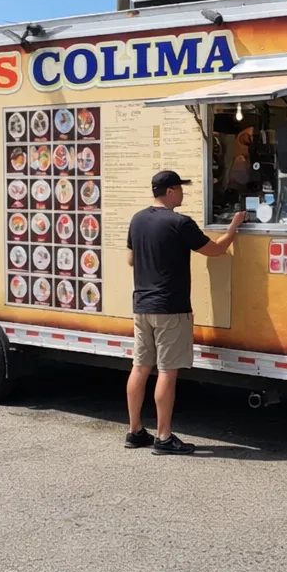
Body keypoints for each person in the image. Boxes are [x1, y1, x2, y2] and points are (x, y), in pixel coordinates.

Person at [125, 170, 246, 455]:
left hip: (142, 306)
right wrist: (233, 227)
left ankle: (134, 431)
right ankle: (163, 437)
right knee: (167, 371)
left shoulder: (137, 219)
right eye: (180, 189)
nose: (183, 194)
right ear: (169, 192)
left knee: (140, 367)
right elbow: (215, 250)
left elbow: (131, 259)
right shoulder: (180, 223)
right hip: (171, 308)